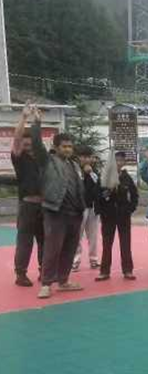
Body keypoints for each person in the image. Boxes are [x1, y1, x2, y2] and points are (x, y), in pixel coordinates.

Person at [34, 118, 86, 298]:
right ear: (55, 147)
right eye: (64, 146)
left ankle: (63, 281)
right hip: (55, 212)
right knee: (52, 249)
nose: (68, 149)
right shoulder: (47, 161)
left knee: (69, 249)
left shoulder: (74, 165)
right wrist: (36, 123)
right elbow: (36, 145)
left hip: (75, 213)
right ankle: (46, 284)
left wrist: (81, 208)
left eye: (70, 147)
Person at [11, 104, 45, 287]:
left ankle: (44, 271)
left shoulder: (42, 159)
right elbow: (17, 139)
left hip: (45, 206)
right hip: (27, 205)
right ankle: (21, 274)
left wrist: (37, 121)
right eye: (24, 144)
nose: (27, 145)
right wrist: (24, 118)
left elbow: (37, 138)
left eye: (29, 142)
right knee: (25, 240)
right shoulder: (19, 158)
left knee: (44, 240)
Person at [95, 152, 139, 281]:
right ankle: (104, 272)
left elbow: (134, 195)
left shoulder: (127, 178)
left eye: (121, 160)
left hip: (123, 216)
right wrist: (105, 195)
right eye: (116, 160)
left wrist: (130, 209)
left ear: (124, 162)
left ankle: (128, 270)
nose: (118, 163)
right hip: (108, 216)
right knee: (107, 244)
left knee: (125, 244)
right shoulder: (103, 177)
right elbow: (96, 196)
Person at [73, 148, 101, 272]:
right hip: (79, 208)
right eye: (84, 157)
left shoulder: (95, 171)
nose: (86, 159)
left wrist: (91, 173)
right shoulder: (75, 170)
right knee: (76, 235)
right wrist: (83, 175)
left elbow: (100, 185)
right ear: (79, 158)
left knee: (93, 236)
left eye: (89, 157)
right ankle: (75, 260)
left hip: (93, 208)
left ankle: (93, 259)